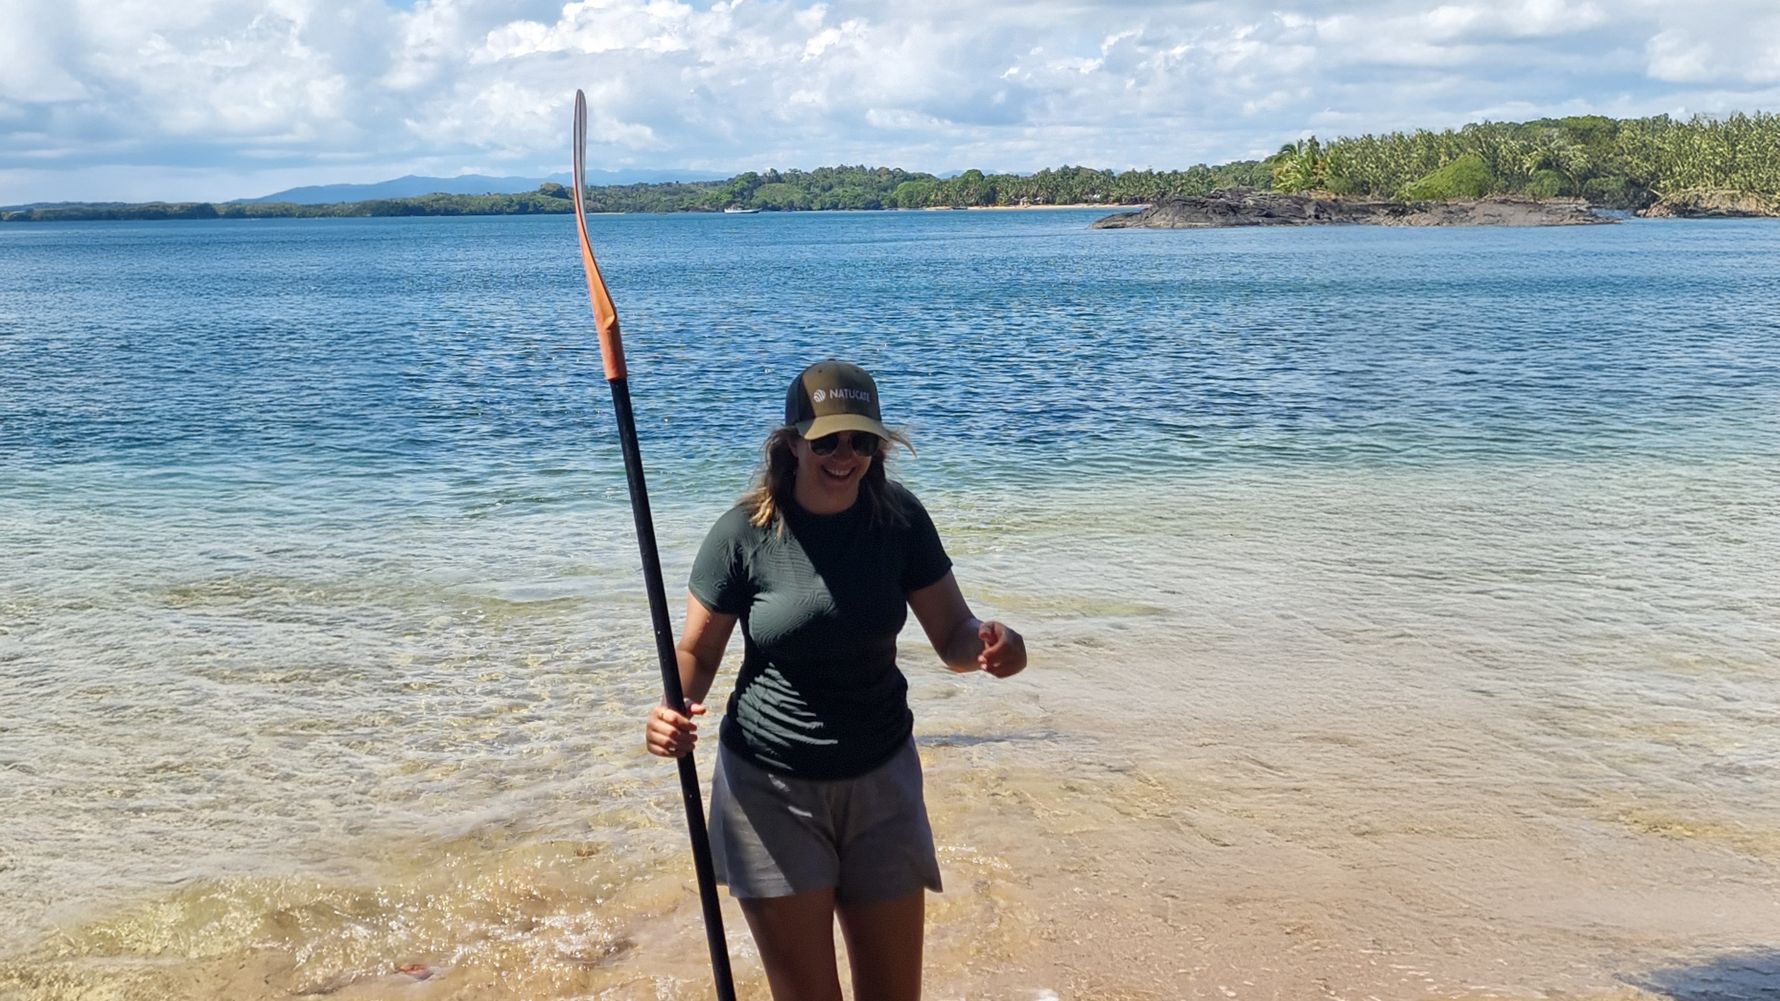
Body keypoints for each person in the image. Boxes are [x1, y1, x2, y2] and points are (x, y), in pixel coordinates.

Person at [644, 359, 1028, 1001]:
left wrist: (994, 647)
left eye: (861, 440)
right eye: (826, 440)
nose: (844, 455)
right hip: (769, 791)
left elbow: (954, 635)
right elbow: (698, 652)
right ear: (792, 442)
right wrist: (672, 707)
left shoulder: (898, 520)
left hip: (883, 783)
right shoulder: (744, 534)